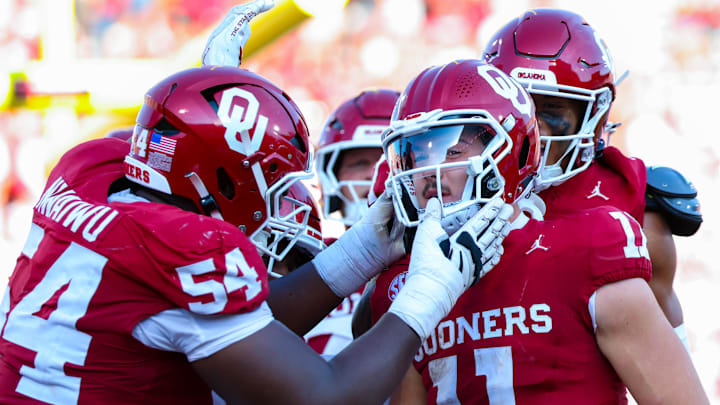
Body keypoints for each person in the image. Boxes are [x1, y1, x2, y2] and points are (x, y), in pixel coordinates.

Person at [0, 59, 517, 403]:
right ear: (221, 176)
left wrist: (359, 252)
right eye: (272, 177)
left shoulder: (91, 168)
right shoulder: (186, 249)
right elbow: (323, 397)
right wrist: (429, 292)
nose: (281, 197)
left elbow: (254, 322)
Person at [362, 59, 708, 404]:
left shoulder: (586, 247)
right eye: (416, 155)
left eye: (452, 150)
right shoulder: (403, 283)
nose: (429, 173)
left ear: (512, 150)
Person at [482, 8, 702, 346]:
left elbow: (673, 372)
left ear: (594, 117)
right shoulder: (452, 189)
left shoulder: (637, 211)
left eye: (552, 110)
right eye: (519, 106)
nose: (531, 126)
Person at [306, 88, 399, 357]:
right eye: (360, 162)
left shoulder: (448, 259)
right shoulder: (306, 264)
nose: (376, 174)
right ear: (329, 176)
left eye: (388, 158)